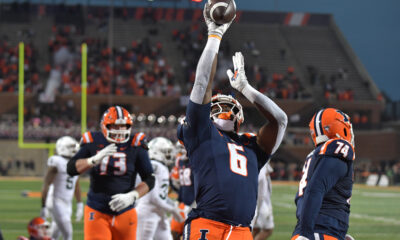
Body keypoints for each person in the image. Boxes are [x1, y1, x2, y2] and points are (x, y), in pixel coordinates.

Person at [177, 3, 288, 239]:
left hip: (242, 231)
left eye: (230, 105)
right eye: (218, 105)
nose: (225, 108)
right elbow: (201, 84)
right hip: (207, 225)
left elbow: (280, 119)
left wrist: (246, 88)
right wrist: (215, 35)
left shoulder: (252, 146)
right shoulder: (201, 133)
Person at [67, 106, 155, 240]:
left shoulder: (136, 143)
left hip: (126, 210)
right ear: (104, 126)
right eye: (115, 126)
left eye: (124, 126)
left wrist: (133, 195)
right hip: (97, 210)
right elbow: (71, 169)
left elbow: (150, 179)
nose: (120, 130)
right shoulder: (93, 140)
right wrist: (92, 160)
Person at [291, 108, 355, 240]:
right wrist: (305, 233)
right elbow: (315, 190)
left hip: (321, 230)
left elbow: (301, 198)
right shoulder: (338, 148)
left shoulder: (317, 155)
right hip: (321, 231)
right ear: (341, 128)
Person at [136, 137, 184, 240]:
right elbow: (154, 198)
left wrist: (172, 204)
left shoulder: (160, 166)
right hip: (147, 212)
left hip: (158, 212)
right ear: (156, 151)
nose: (169, 155)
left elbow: (161, 196)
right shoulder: (155, 166)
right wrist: (172, 210)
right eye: (166, 152)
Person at [40, 136, 82, 240]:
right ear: (62, 147)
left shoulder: (75, 163)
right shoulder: (56, 161)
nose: (74, 149)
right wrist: (44, 206)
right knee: (68, 234)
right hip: (56, 201)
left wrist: (79, 204)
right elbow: (46, 184)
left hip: (67, 203)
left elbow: (76, 185)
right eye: (70, 147)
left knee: (55, 234)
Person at [170, 141, 195, 240]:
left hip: (195, 205)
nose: (181, 151)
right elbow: (181, 185)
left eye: (183, 148)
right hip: (183, 204)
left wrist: (195, 204)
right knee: (174, 233)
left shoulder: (197, 161)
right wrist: (178, 200)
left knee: (190, 235)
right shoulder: (180, 161)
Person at [251, 163, 274, 240]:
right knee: (267, 229)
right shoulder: (261, 163)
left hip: (259, 202)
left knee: (256, 229)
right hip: (262, 203)